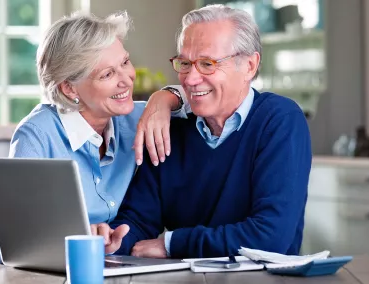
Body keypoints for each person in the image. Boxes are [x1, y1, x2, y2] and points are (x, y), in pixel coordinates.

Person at [94, 4, 312, 259]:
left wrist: (172, 244)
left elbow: (270, 237)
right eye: (185, 63)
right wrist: (112, 239)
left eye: (207, 64)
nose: (190, 78)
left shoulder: (279, 120)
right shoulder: (172, 128)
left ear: (250, 66)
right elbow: (139, 221)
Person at [0, 11, 189, 263]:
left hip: (114, 266)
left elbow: (202, 95)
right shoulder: (38, 134)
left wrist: (164, 98)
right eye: (107, 74)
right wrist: (79, 236)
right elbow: (2, 244)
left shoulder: (135, 116)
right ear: (70, 88)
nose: (126, 80)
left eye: (125, 62)